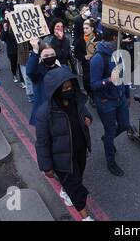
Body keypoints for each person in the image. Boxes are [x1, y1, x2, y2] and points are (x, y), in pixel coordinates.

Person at [35, 67, 94, 221]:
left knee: (77, 178)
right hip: (62, 157)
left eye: (70, 86)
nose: (69, 90)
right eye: (65, 88)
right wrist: (46, 166)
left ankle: (65, 190)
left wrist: (88, 118)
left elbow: (85, 112)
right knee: (75, 187)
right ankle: (85, 217)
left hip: (80, 149)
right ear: (55, 91)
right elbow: (42, 143)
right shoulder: (44, 113)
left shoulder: (76, 101)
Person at [90, 28, 130, 177]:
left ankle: (107, 138)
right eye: (121, 37)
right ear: (114, 37)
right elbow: (93, 85)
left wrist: (127, 94)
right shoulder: (98, 59)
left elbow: (123, 75)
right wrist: (108, 80)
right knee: (110, 129)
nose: (124, 40)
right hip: (106, 101)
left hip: (120, 98)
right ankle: (111, 162)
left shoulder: (118, 53)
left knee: (125, 124)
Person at [26, 39, 61, 125]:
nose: (50, 57)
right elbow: (30, 71)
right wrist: (35, 50)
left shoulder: (62, 69)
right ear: (40, 57)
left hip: (60, 111)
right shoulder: (38, 72)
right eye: (46, 55)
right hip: (45, 114)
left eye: (52, 54)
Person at [74, 19, 98, 103]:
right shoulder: (80, 40)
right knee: (87, 81)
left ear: (92, 28)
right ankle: (90, 95)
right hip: (87, 64)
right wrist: (84, 57)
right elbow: (76, 53)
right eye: (84, 28)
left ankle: (97, 95)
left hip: (98, 63)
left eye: (87, 28)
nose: (85, 30)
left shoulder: (98, 38)